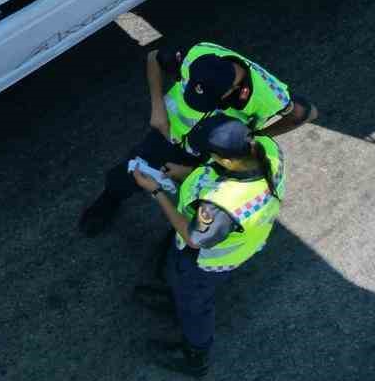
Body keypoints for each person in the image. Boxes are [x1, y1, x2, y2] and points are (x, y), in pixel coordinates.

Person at [79, 40, 315, 235]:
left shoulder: (270, 95)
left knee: (199, 203)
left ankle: (185, 236)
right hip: (168, 134)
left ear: (231, 90)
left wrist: (257, 137)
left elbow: (307, 113)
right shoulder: (199, 55)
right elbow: (154, 57)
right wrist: (157, 106)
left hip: (215, 153)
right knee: (132, 170)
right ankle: (111, 197)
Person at [131, 113, 285, 378]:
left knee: (195, 306)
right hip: (234, 241)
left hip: (206, 262)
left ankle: (195, 356)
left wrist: (156, 191)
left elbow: (193, 238)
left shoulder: (223, 206)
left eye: (209, 153)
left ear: (225, 159)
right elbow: (215, 173)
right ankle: (177, 300)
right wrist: (184, 173)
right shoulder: (264, 147)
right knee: (181, 287)